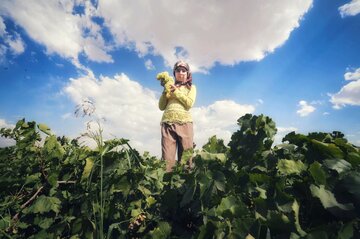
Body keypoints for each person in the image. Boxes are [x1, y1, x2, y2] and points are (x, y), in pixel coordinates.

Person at [158, 60, 197, 172]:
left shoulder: (191, 88)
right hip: (167, 123)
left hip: (184, 123)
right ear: (174, 73)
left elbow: (189, 103)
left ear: (187, 74)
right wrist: (165, 92)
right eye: (178, 70)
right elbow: (161, 106)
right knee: (167, 160)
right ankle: (168, 187)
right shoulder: (169, 87)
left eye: (183, 71)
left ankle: (185, 186)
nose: (181, 73)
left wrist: (176, 92)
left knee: (186, 158)